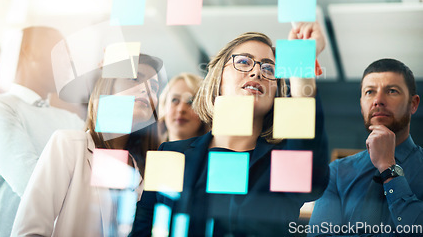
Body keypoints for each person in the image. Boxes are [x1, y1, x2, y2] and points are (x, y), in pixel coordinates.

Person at [130, 22, 330, 237]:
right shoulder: (172, 154)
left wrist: (301, 66)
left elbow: (312, 180)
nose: (256, 72)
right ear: (219, 79)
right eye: (244, 62)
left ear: (276, 93)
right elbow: (143, 229)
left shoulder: (281, 160)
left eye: (268, 68)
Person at [11, 54, 164, 237]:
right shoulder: (69, 146)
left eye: (154, 87)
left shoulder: (145, 173)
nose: (146, 89)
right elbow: (29, 231)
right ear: (107, 87)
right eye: (134, 79)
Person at [0, 27, 84, 237]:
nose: (69, 61)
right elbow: (33, 185)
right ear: (30, 51)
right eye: (61, 52)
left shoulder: (71, 121)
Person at [308, 59, 422, 236]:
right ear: (361, 104)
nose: (378, 100)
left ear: (413, 104)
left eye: (392, 91)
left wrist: (388, 168)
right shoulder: (337, 172)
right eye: (370, 92)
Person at [158, 72, 209, 143]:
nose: (181, 109)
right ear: (163, 106)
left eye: (191, 102)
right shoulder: (146, 150)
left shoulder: (216, 153)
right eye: (175, 100)